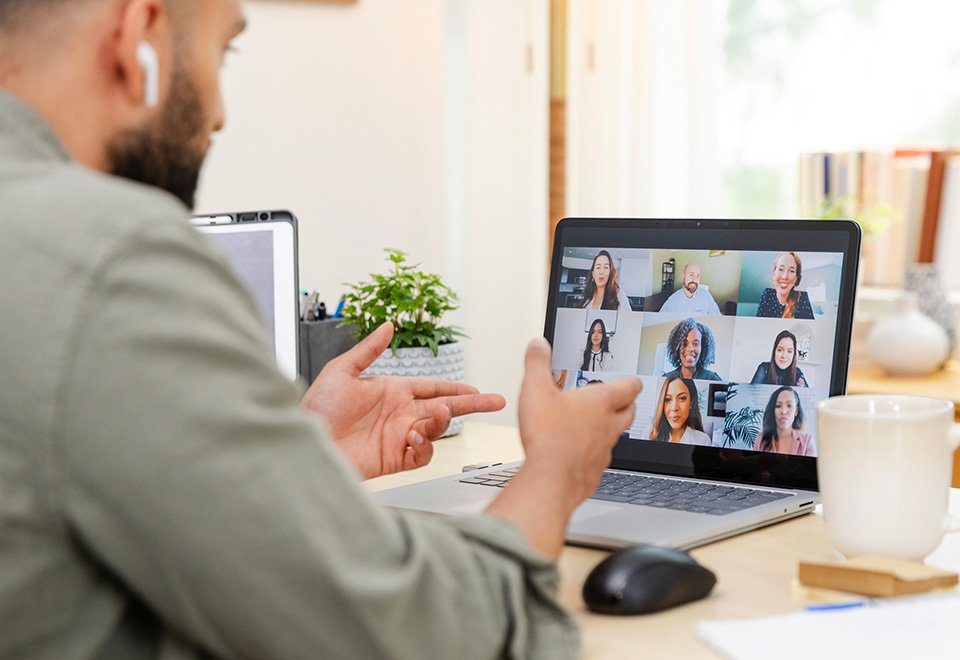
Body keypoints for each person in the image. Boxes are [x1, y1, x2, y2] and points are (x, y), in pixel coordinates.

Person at [0, 2, 644, 659]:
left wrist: (296, 461)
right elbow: (422, 633)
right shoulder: (111, 256)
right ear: (138, 37)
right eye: (222, 55)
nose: (219, 115)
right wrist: (557, 470)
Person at [647, 377, 712, 446]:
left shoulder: (703, 440)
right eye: (668, 399)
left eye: (682, 398)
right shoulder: (649, 433)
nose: (674, 408)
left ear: (691, 403)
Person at [753, 387, 817, 456]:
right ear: (773, 411)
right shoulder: (760, 439)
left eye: (789, 405)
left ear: (796, 411)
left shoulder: (807, 441)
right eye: (778, 406)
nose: (783, 411)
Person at [756, 252, 815, 319]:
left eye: (791, 271)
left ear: (796, 278)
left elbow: (810, 328)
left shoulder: (802, 298)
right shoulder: (767, 294)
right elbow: (758, 325)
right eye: (781, 269)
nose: (785, 277)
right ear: (774, 274)